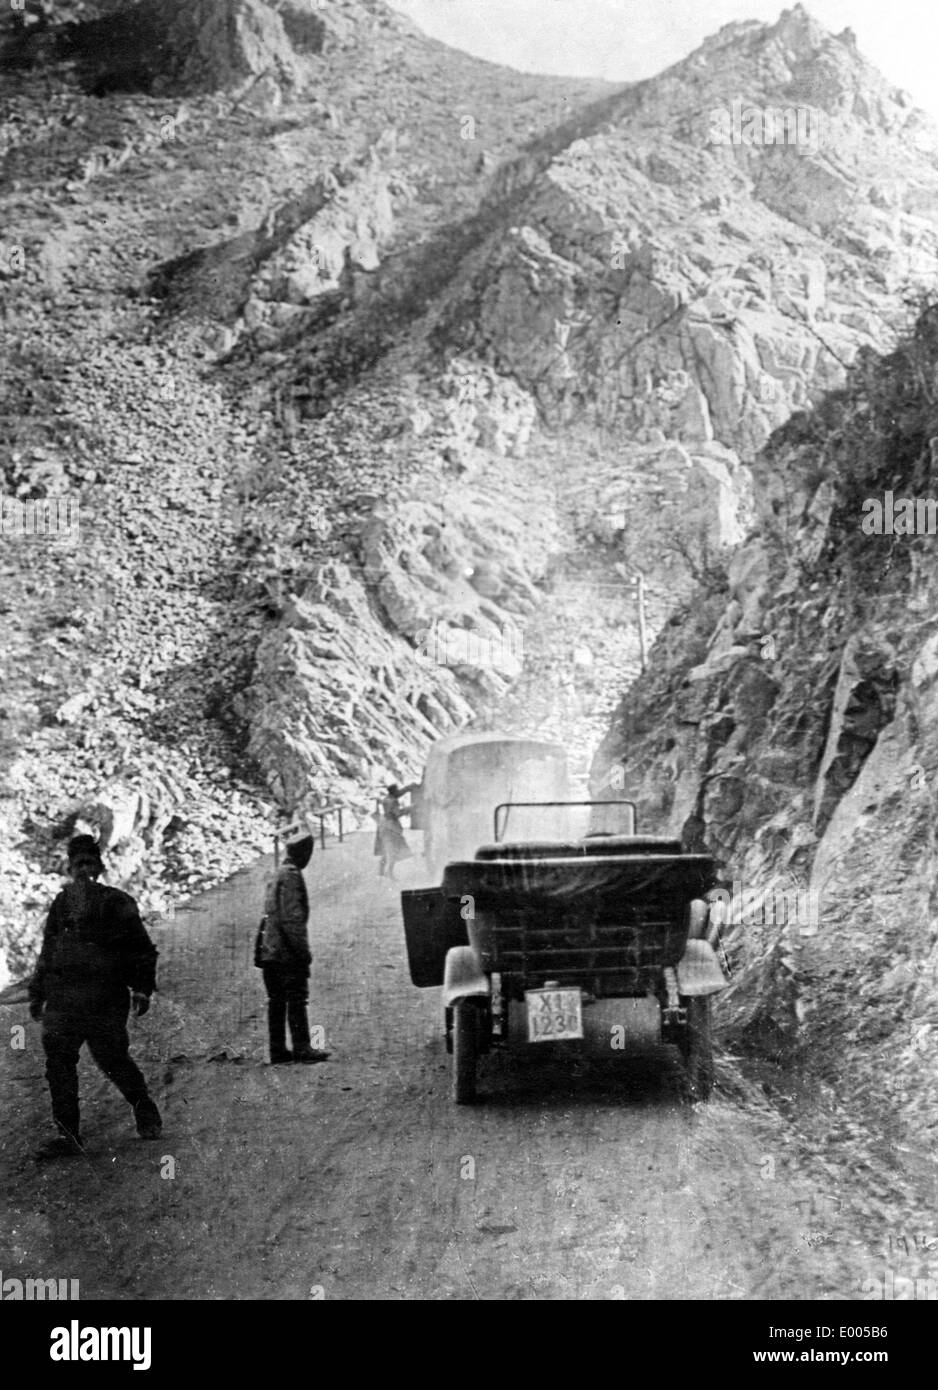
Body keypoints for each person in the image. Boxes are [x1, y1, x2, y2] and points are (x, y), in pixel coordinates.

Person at [28, 834, 162, 1160]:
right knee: (59, 1062)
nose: (84, 870)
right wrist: (37, 992)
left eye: (89, 863)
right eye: (78, 865)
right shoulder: (61, 905)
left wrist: (142, 988)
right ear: (70, 869)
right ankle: (69, 1135)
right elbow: (48, 950)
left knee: (112, 1059)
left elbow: (142, 950)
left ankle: (143, 1106)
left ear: (100, 867)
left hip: (105, 998)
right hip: (65, 999)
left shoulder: (118, 902)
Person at [256, 826, 330, 1065]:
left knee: (277, 1001)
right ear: (301, 853)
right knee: (297, 998)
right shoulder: (291, 876)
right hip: (285, 951)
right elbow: (292, 920)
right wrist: (303, 952)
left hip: (270, 949)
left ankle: (277, 1050)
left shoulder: (278, 873)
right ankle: (302, 1047)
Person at [374, 783, 415, 881]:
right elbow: (398, 813)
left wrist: (407, 788)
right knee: (392, 851)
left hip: (383, 825)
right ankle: (389, 873)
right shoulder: (393, 801)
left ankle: (380, 872)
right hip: (391, 826)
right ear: (394, 791)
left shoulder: (386, 799)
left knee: (385, 850)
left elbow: (398, 794)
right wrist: (409, 808)